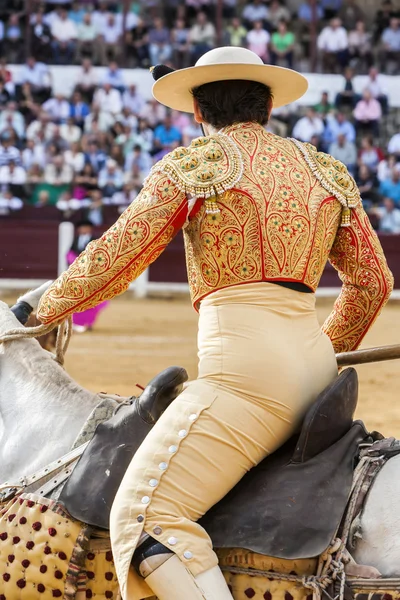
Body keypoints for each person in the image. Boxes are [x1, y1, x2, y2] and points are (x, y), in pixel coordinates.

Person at [37, 47, 393, 600]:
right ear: (269, 105)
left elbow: (117, 258)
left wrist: (38, 310)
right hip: (320, 376)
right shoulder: (327, 170)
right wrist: (320, 352)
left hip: (246, 380)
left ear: (198, 111)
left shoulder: (196, 164)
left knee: (147, 520)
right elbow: (372, 283)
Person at [67, 220, 109, 333]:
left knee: (91, 298)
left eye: (85, 227)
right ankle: (76, 323)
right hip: (78, 274)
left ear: (90, 228)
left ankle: (89, 323)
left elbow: (100, 256)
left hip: (92, 274)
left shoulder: (96, 240)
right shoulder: (76, 239)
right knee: (77, 297)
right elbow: (70, 254)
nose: (83, 229)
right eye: (81, 227)